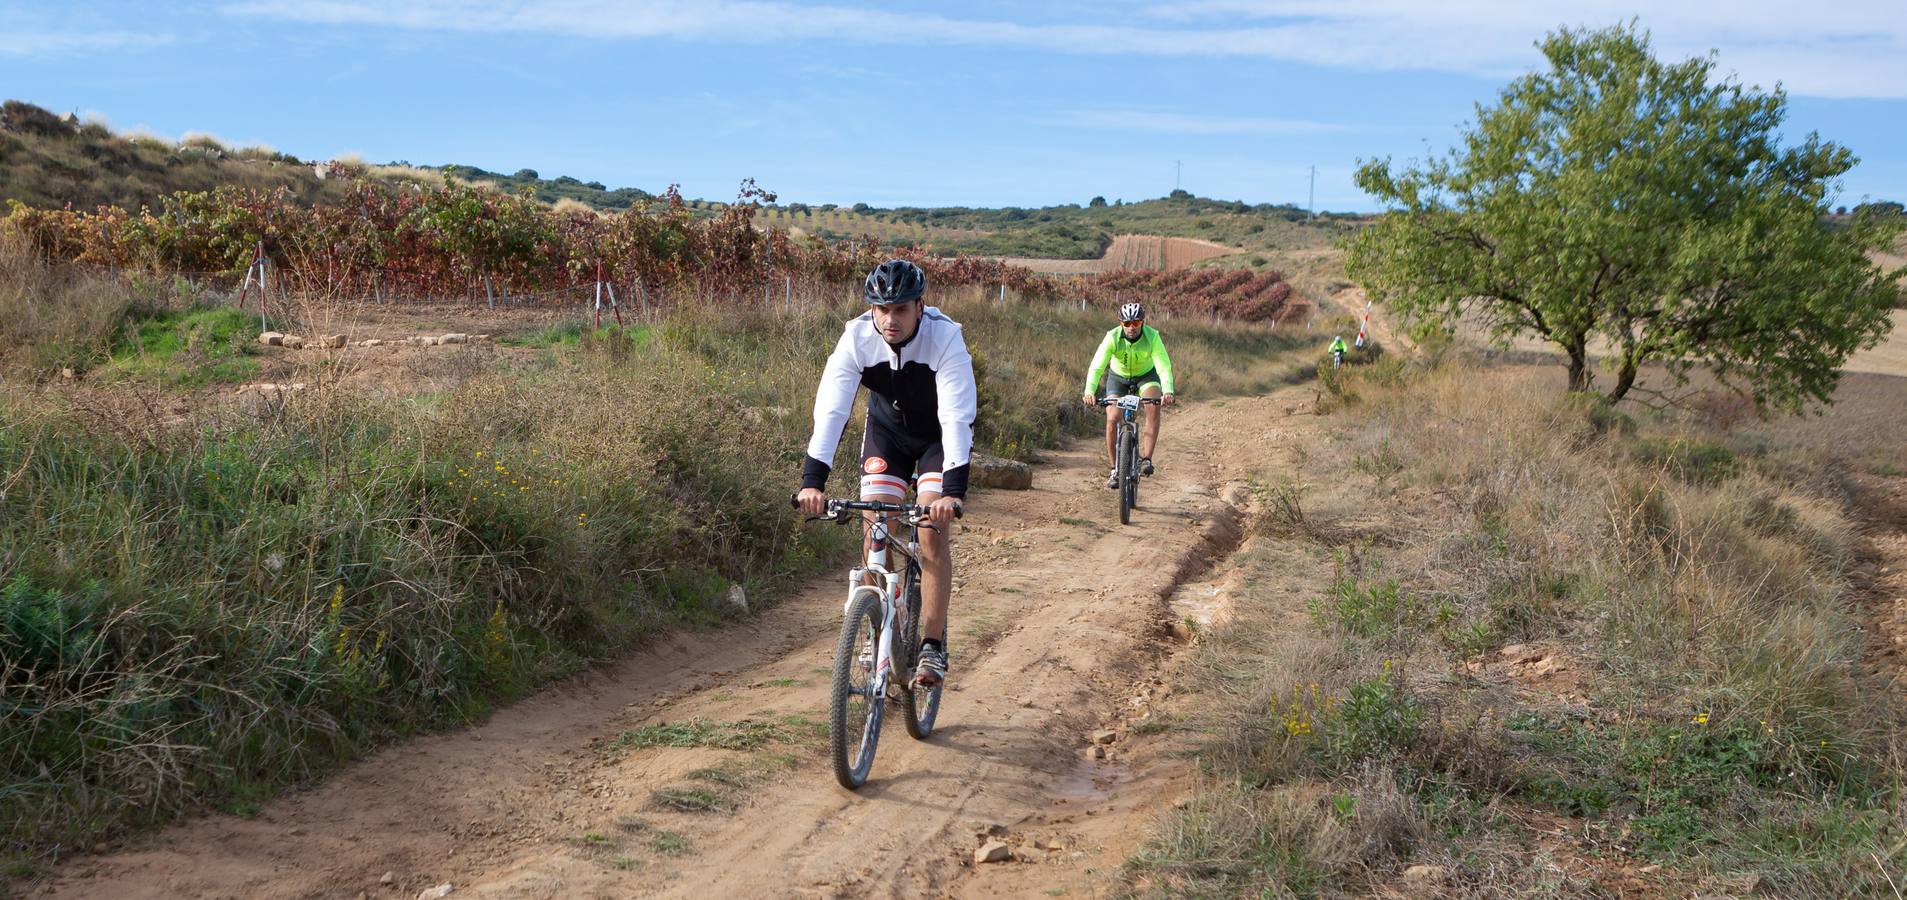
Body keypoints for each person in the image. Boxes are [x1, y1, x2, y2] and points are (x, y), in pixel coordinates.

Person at [796, 259, 974, 688]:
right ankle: (878, 621)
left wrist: (952, 491)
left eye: (900, 310)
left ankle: (932, 644)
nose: (890, 319)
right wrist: (812, 481)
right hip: (887, 435)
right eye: (881, 309)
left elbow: (955, 417)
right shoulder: (855, 338)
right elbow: (833, 411)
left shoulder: (945, 337)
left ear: (920, 307)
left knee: (930, 529)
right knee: (876, 522)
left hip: (936, 440)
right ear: (870, 309)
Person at [1080, 301, 1175, 489]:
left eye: (1136, 323)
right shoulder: (1112, 337)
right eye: (1127, 324)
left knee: (1153, 407)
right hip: (1118, 377)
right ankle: (1115, 469)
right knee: (1112, 418)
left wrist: (1168, 390)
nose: (1131, 328)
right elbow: (1097, 366)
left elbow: (1163, 366)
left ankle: (1146, 459)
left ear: (1143, 323)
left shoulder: (1152, 337)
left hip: (1146, 376)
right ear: (1121, 323)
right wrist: (1089, 391)